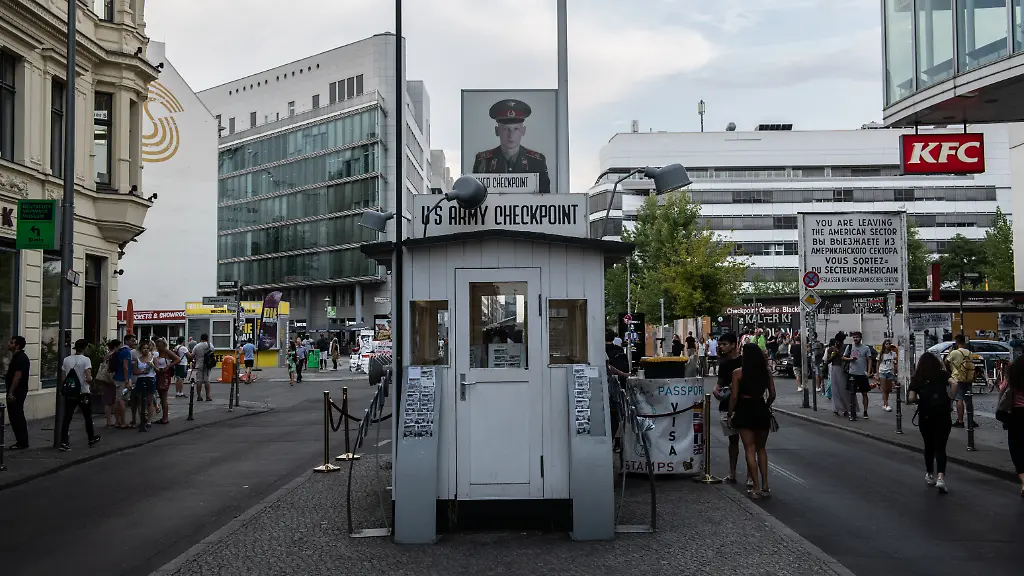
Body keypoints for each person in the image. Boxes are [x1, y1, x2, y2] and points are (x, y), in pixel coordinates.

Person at [728, 342, 776, 499]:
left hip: (744, 409)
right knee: (761, 449)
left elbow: (734, 397)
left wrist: (730, 413)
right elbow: (773, 394)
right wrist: (766, 405)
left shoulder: (738, 373)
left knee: (749, 449)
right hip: (760, 407)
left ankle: (755, 487)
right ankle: (766, 486)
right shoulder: (766, 371)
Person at [472, 98, 551, 194]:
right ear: (497, 131)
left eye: (516, 129)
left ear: (523, 131)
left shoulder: (536, 162)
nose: (511, 135)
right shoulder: (483, 161)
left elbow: (545, 200)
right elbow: (475, 196)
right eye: (506, 129)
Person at [909, 352, 954, 494]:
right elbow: (955, 383)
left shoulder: (918, 377)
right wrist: (951, 399)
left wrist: (919, 400)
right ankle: (941, 477)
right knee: (941, 446)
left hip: (926, 414)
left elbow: (911, 398)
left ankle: (929, 474)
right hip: (942, 413)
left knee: (929, 445)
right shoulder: (942, 374)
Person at [713, 333, 746, 486]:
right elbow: (719, 383)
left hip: (743, 405)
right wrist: (717, 391)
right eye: (720, 344)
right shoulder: (724, 363)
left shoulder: (744, 362)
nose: (721, 346)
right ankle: (732, 473)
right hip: (726, 406)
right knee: (733, 441)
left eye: (724, 344)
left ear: (734, 344)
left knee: (747, 442)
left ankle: (751, 476)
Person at [59, 339, 101, 451]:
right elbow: (88, 377)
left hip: (70, 392)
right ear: (85, 348)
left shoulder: (66, 360)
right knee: (87, 416)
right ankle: (91, 438)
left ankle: (64, 442)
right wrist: (92, 383)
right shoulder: (86, 360)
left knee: (67, 418)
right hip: (83, 392)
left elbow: (64, 378)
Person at [998, 356, 1024, 497]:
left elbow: (1002, 389)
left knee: (1017, 449)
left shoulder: (1014, 375)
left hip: (1017, 415)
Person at [5, 335, 30, 449]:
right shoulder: (17, 357)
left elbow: (17, 376)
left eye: (11, 342)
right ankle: (21, 441)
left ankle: (22, 442)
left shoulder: (20, 358)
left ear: (17, 346)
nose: (9, 344)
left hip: (17, 392)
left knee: (16, 416)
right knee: (16, 416)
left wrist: (11, 392)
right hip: (17, 390)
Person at [843, 331, 874, 421]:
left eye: (857, 337)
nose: (855, 339)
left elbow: (869, 359)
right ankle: (852, 411)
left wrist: (868, 371)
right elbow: (844, 357)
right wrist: (850, 359)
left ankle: (865, 411)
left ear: (860, 338)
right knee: (851, 393)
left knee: (864, 393)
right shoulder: (849, 347)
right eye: (854, 337)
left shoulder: (866, 348)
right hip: (852, 373)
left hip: (862, 374)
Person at [945, 334, 974, 428]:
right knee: (969, 400)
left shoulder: (954, 352)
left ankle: (960, 420)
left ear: (956, 342)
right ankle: (970, 420)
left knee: (959, 399)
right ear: (964, 342)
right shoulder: (969, 353)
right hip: (968, 378)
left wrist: (949, 353)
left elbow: (946, 362)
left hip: (957, 378)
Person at [132, 339, 157, 431]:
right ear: (140, 349)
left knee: (150, 401)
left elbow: (157, 369)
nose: (145, 350)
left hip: (150, 379)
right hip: (141, 379)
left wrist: (152, 366)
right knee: (139, 401)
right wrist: (143, 371)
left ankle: (149, 421)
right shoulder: (137, 359)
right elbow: (135, 371)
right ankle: (142, 419)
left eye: (147, 348)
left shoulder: (153, 357)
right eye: (143, 348)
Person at [154, 338, 180, 424]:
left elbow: (177, 359)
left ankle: (165, 418)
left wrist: (168, 366)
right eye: (157, 345)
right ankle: (164, 417)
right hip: (158, 374)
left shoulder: (167, 352)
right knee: (161, 397)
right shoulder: (157, 352)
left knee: (164, 397)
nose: (158, 347)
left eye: (159, 345)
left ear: (164, 345)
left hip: (165, 375)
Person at [828, 332, 849, 417]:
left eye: (841, 341)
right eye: (839, 341)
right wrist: (833, 355)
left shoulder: (845, 347)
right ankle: (836, 408)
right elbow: (828, 360)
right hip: (835, 368)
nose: (840, 343)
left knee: (843, 389)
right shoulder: (831, 349)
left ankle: (845, 409)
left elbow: (844, 357)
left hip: (843, 369)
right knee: (835, 389)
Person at [876, 339, 898, 412]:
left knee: (888, 389)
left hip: (890, 372)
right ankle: (886, 404)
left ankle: (885, 403)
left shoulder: (893, 354)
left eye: (889, 344)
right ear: (884, 345)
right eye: (886, 344)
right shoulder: (881, 354)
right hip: (882, 372)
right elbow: (878, 364)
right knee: (884, 389)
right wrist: (877, 375)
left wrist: (895, 373)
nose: (888, 345)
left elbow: (895, 363)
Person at [192, 333, 215, 402]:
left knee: (199, 381)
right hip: (207, 365)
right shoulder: (210, 345)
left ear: (200, 338)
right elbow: (213, 352)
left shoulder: (197, 346)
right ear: (207, 338)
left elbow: (192, 355)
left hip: (199, 364)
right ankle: (208, 396)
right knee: (207, 380)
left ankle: (199, 396)